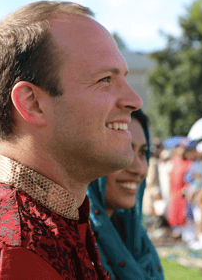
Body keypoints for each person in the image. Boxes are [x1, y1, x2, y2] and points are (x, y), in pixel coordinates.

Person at [0, 1, 142, 278]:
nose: (133, 101)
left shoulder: (49, 221)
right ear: (32, 104)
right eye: (104, 80)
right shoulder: (14, 259)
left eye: (123, 78)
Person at [87, 110, 164, 280]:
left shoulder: (135, 237)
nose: (138, 169)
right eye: (122, 149)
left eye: (143, 153)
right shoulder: (70, 244)